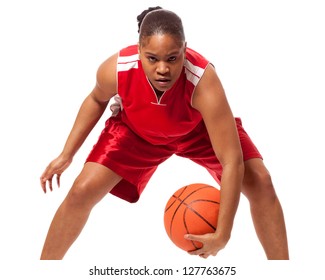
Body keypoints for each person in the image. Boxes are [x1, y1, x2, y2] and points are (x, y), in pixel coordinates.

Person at [40, 7, 289, 260]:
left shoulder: (203, 81)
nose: (163, 69)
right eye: (152, 58)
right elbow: (96, 99)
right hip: (139, 133)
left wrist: (223, 233)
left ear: (184, 49)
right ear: (138, 50)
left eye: (172, 58)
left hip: (199, 131)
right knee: (81, 190)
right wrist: (66, 154)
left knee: (261, 182)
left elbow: (231, 161)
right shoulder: (115, 68)